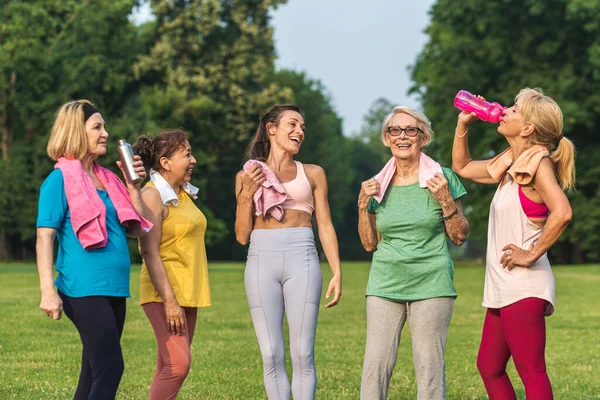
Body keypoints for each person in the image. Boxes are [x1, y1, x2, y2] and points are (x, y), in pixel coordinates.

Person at [452, 88, 575, 400]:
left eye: (514, 109)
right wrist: (463, 125)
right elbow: (463, 168)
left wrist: (532, 253)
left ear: (528, 128)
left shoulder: (538, 165)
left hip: (524, 285)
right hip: (504, 288)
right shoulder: (511, 165)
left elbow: (562, 212)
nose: (503, 109)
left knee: (531, 370)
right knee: (489, 366)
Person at [36, 99, 150, 400]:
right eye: (97, 127)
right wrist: (48, 291)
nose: (106, 133)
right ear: (77, 131)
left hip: (114, 288)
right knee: (111, 368)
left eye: (104, 126)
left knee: (92, 375)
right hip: (82, 288)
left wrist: (134, 187)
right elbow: (44, 237)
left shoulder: (109, 179)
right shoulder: (58, 180)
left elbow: (137, 228)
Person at [357, 106, 469, 400]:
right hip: (385, 281)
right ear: (387, 137)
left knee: (429, 365)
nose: (403, 136)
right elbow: (369, 244)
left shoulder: (441, 178)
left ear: (423, 138)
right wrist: (362, 205)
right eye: (396, 130)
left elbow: (458, 236)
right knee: (376, 363)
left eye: (411, 130)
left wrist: (446, 202)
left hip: (432, 281)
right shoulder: (377, 185)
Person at [234, 104, 342, 400]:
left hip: (302, 258)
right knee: (270, 353)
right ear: (271, 129)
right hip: (260, 259)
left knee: (302, 352)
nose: (299, 131)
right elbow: (242, 236)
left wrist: (337, 271)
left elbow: (326, 226)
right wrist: (246, 196)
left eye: (303, 127)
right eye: (292, 125)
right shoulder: (247, 175)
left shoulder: (314, 173)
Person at [133, 129, 211, 400]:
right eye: (187, 154)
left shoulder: (183, 194)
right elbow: (148, 250)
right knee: (178, 366)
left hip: (187, 291)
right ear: (165, 163)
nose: (194, 160)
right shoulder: (152, 196)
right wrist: (169, 301)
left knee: (168, 365)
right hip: (164, 293)